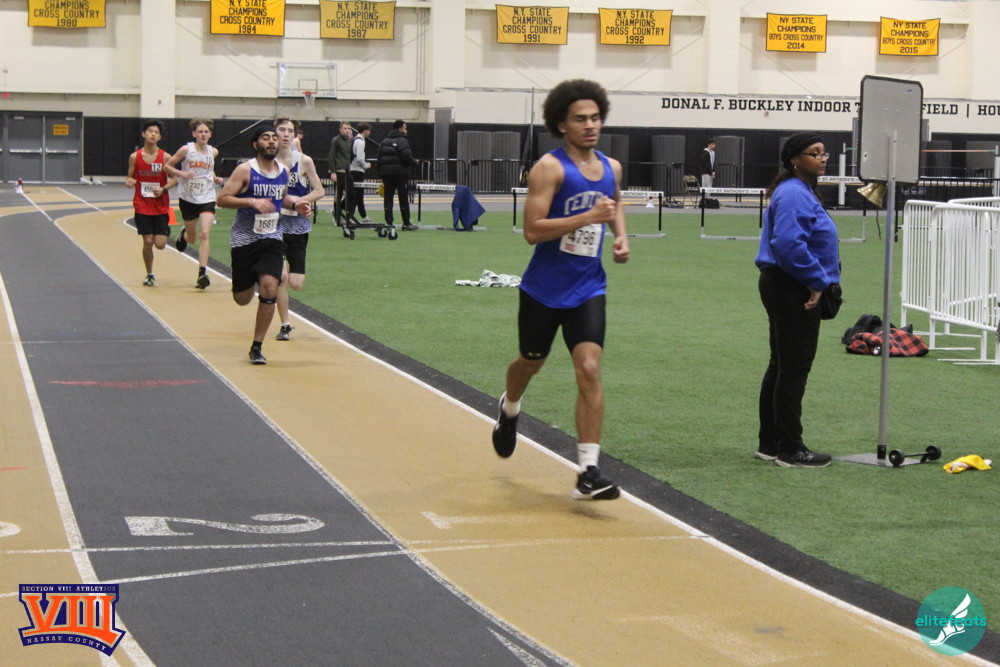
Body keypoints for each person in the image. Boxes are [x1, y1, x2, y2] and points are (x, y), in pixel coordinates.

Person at [491, 79, 630, 500]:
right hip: (543, 290)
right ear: (562, 124)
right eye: (580, 119)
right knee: (530, 362)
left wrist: (621, 236)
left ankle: (588, 471)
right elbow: (532, 231)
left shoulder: (611, 167)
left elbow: (614, 203)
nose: (591, 125)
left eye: (596, 118)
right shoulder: (549, 169)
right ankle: (509, 407)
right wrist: (587, 217)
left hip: (588, 287)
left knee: (589, 368)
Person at [754, 132, 839, 467]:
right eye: (814, 153)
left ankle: (771, 443)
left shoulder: (798, 190)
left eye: (824, 153)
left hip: (785, 283)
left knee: (781, 366)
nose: (822, 158)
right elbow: (789, 244)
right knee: (793, 369)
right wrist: (817, 280)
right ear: (794, 159)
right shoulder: (793, 193)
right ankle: (791, 449)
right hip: (794, 286)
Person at [216, 126, 309, 365]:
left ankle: (257, 346)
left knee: (270, 285)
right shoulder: (245, 170)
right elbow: (222, 199)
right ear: (255, 144)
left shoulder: (283, 171)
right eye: (265, 138)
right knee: (242, 298)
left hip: (272, 238)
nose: (271, 141)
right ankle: (251, 277)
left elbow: (282, 197)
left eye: (274, 138)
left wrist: (295, 204)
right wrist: (252, 202)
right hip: (244, 239)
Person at [273, 116, 325, 342]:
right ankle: (285, 323)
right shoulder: (267, 160)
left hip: (298, 226)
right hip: (274, 223)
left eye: (289, 131)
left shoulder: (304, 161)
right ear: (274, 133)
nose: (285, 134)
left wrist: (301, 201)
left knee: (295, 283)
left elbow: (320, 190)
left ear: (295, 135)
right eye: (281, 130)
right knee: (281, 277)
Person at [165, 117, 224, 289]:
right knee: (192, 238)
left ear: (210, 134)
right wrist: (183, 174)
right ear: (194, 134)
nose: (203, 134)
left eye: (206, 132)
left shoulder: (213, 152)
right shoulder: (186, 150)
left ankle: (202, 273)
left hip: (207, 197)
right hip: (188, 198)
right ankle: (184, 234)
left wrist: (215, 178)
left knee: (205, 233)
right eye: (200, 132)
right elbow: (168, 166)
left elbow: (209, 170)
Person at [125, 119, 176, 287]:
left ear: (160, 137)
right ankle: (149, 274)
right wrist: (130, 182)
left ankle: (167, 231)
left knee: (160, 245)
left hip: (160, 206)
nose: (153, 134)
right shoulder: (135, 157)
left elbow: (174, 178)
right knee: (147, 242)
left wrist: (163, 189)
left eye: (156, 132)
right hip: (142, 205)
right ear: (143, 134)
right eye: (150, 131)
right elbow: (130, 177)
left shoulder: (166, 157)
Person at [377, 120, 416, 231]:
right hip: (400, 173)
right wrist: (414, 163)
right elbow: (406, 156)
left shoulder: (384, 141)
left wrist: (381, 174)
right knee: (403, 198)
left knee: (388, 198)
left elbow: (379, 159)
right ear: (400, 128)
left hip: (386, 174)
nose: (406, 131)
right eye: (405, 128)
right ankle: (406, 223)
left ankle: (389, 223)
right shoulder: (402, 141)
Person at [345, 122, 373, 223]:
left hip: (353, 170)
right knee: (356, 195)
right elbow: (360, 158)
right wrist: (366, 165)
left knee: (357, 195)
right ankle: (349, 216)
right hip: (357, 171)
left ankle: (363, 216)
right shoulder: (360, 142)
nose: (370, 132)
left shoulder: (355, 140)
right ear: (365, 131)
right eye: (369, 130)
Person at [327, 121, 353, 224]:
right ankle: (337, 217)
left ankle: (339, 211)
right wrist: (333, 172)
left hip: (347, 171)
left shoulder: (349, 140)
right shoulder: (336, 140)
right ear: (340, 129)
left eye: (348, 128)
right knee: (338, 195)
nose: (347, 130)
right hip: (339, 171)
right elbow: (331, 156)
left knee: (351, 194)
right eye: (345, 128)